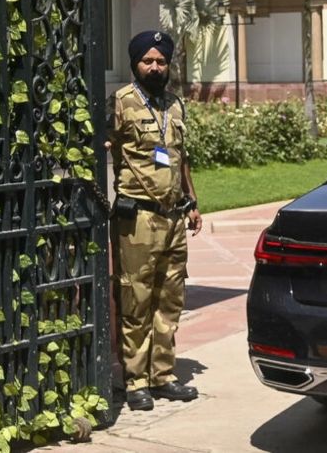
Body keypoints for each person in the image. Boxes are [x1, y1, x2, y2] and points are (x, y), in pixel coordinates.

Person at [107, 30, 203, 411]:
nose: (155, 66)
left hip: (173, 218)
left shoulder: (174, 105)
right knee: (136, 298)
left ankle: (162, 375)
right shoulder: (120, 102)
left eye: (161, 61)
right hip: (139, 219)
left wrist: (192, 200)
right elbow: (99, 144)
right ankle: (135, 381)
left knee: (169, 299)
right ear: (135, 64)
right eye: (148, 61)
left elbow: (179, 157)